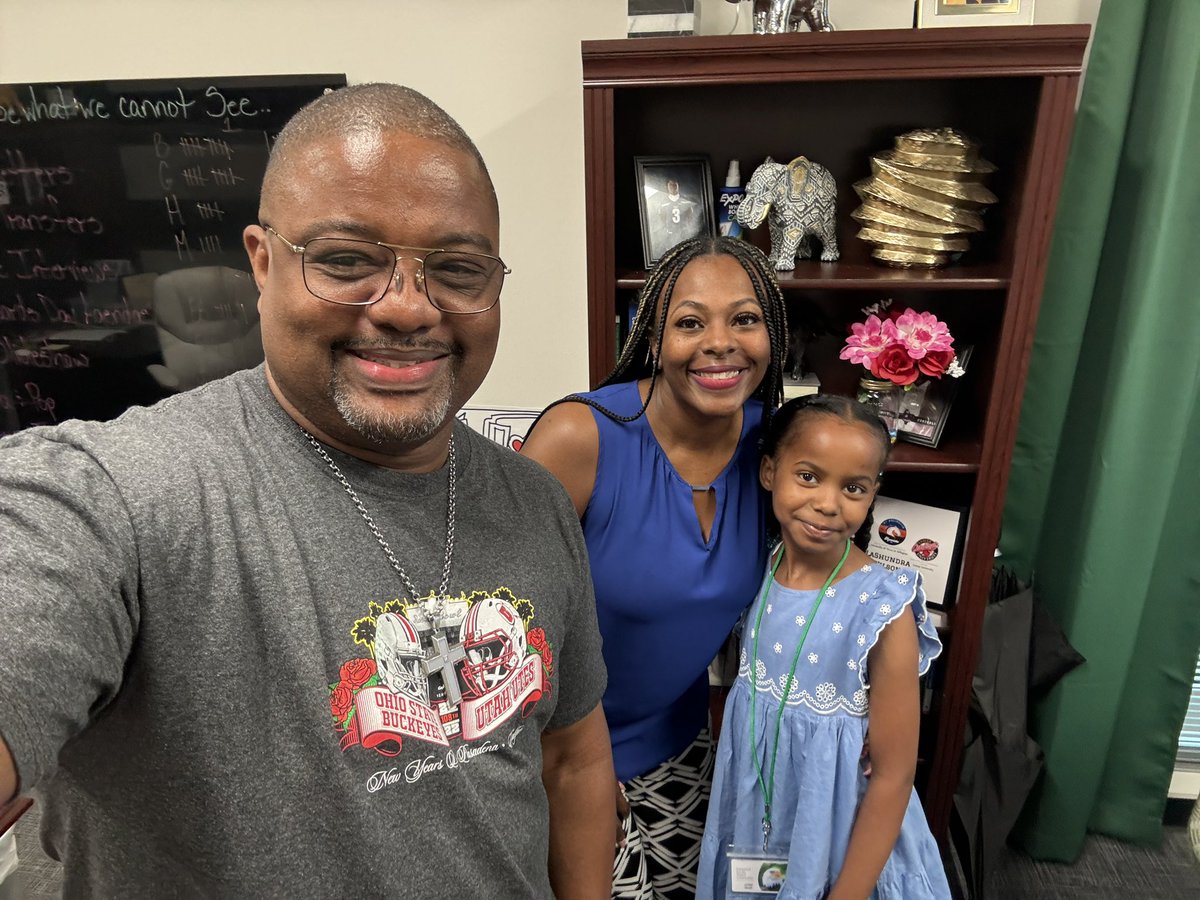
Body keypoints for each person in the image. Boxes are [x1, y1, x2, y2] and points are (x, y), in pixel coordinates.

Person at [0, 83, 614, 898]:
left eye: (458, 269)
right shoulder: (117, 495)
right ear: (262, 262)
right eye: (347, 261)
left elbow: (573, 758)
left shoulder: (536, 502)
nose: (406, 308)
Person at [520, 235, 790, 899]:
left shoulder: (774, 444)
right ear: (652, 336)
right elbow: (501, 621)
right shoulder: (579, 439)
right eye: (690, 322)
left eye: (746, 319)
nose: (720, 342)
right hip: (562, 753)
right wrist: (570, 763)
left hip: (680, 744)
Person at [695, 395, 952, 899]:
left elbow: (894, 777)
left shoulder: (883, 607)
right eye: (808, 476)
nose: (828, 503)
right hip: (759, 819)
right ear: (770, 471)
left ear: (874, 492)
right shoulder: (758, 569)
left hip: (844, 843)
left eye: (853, 487)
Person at [653, 178, 701, 256]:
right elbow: (662, 219)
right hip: (670, 234)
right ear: (667, 187)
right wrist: (667, 229)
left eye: (675, 184)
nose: (673, 187)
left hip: (683, 233)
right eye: (670, 185)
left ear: (678, 185)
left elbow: (691, 217)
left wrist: (687, 228)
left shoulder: (686, 200)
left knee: (685, 254)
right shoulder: (663, 203)